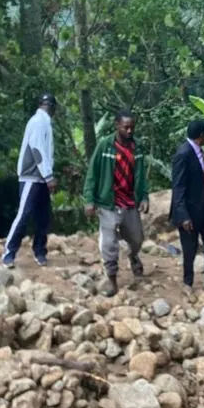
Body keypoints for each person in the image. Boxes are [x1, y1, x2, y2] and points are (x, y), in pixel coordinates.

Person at [83, 110, 150, 295]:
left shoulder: (136, 148)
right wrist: (89, 199)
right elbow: (92, 174)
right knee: (109, 242)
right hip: (108, 202)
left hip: (129, 201)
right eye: (126, 127)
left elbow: (141, 176)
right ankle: (112, 278)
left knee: (137, 238)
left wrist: (144, 197)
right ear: (117, 126)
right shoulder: (105, 146)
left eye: (132, 127)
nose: (129, 131)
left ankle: (133, 255)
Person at [2, 93, 58, 268]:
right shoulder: (37, 122)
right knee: (24, 215)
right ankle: (9, 253)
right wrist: (48, 175)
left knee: (43, 217)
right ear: (50, 106)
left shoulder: (45, 123)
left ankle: (40, 251)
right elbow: (37, 149)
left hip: (41, 178)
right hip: (32, 176)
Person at [171, 119, 204, 290]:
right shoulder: (183, 154)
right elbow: (178, 186)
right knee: (189, 248)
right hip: (190, 211)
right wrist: (182, 215)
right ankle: (188, 282)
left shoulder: (199, 152)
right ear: (202, 136)